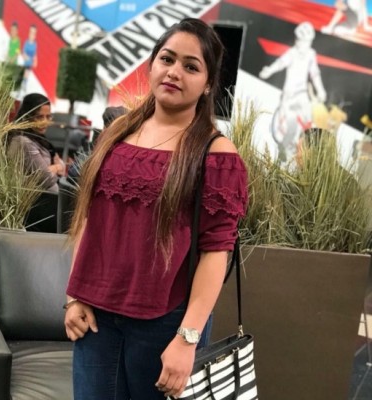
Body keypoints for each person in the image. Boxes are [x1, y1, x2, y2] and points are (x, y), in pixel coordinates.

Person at [64, 18, 248, 400]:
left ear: (208, 83)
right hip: (95, 322)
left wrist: (187, 339)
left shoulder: (215, 154)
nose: (174, 72)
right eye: (167, 59)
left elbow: (216, 252)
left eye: (191, 66)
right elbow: (88, 219)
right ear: (151, 65)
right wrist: (74, 296)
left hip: (166, 325)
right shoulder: (116, 134)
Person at [259, 21, 327, 161]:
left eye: (305, 42)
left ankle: (307, 153)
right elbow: (280, 63)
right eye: (300, 40)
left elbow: (314, 73)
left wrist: (320, 90)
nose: (301, 44)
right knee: (290, 125)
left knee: (309, 120)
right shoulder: (292, 53)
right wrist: (269, 70)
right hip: (289, 95)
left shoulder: (311, 54)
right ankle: (284, 150)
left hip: (302, 93)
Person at [7, 93, 65, 192]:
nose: (45, 121)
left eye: (48, 116)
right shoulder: (23, 142)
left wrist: (54, 168)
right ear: (27, 116)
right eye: (39, 117)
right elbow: (46, 178)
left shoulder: (39, 138)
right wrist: (57, 167)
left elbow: (61, 166)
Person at [21, 25, 38, 92]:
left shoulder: (35, 44)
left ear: (35, 35)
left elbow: (34, 54)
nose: (32, 35)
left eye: (34, 33)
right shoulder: (26, 43)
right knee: (25, 73)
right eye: (31, 32)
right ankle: (22, 83)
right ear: (28, 33)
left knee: (27, 74)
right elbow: (23, 52)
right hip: (26, 62)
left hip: (30, 63)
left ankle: (24, 84)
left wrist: (35, 61)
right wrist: (25, 57)